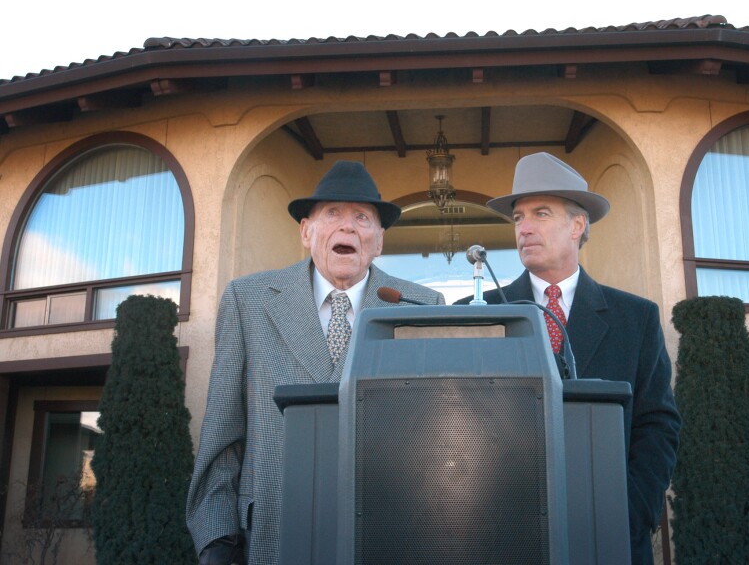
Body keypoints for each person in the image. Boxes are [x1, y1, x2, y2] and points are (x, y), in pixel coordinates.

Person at [186, 161, 445, 565]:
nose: (347, 227)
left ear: (378, 241)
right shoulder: (247, 300)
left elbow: (435, 437)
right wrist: (217, 539)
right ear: (306, 232)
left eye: (362, 217)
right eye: (332, 214)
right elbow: (222, 433)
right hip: (272, 535)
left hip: (385, 536)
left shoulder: (422, 306)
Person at [456, 152, 681, 564]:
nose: (524, 227)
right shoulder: (474, 313)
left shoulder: (636, 318)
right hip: (496, 538)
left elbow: (657, 426)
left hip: (607, 537)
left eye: (540, 213)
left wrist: (627, 515)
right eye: (518, 217)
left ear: (578, 225)